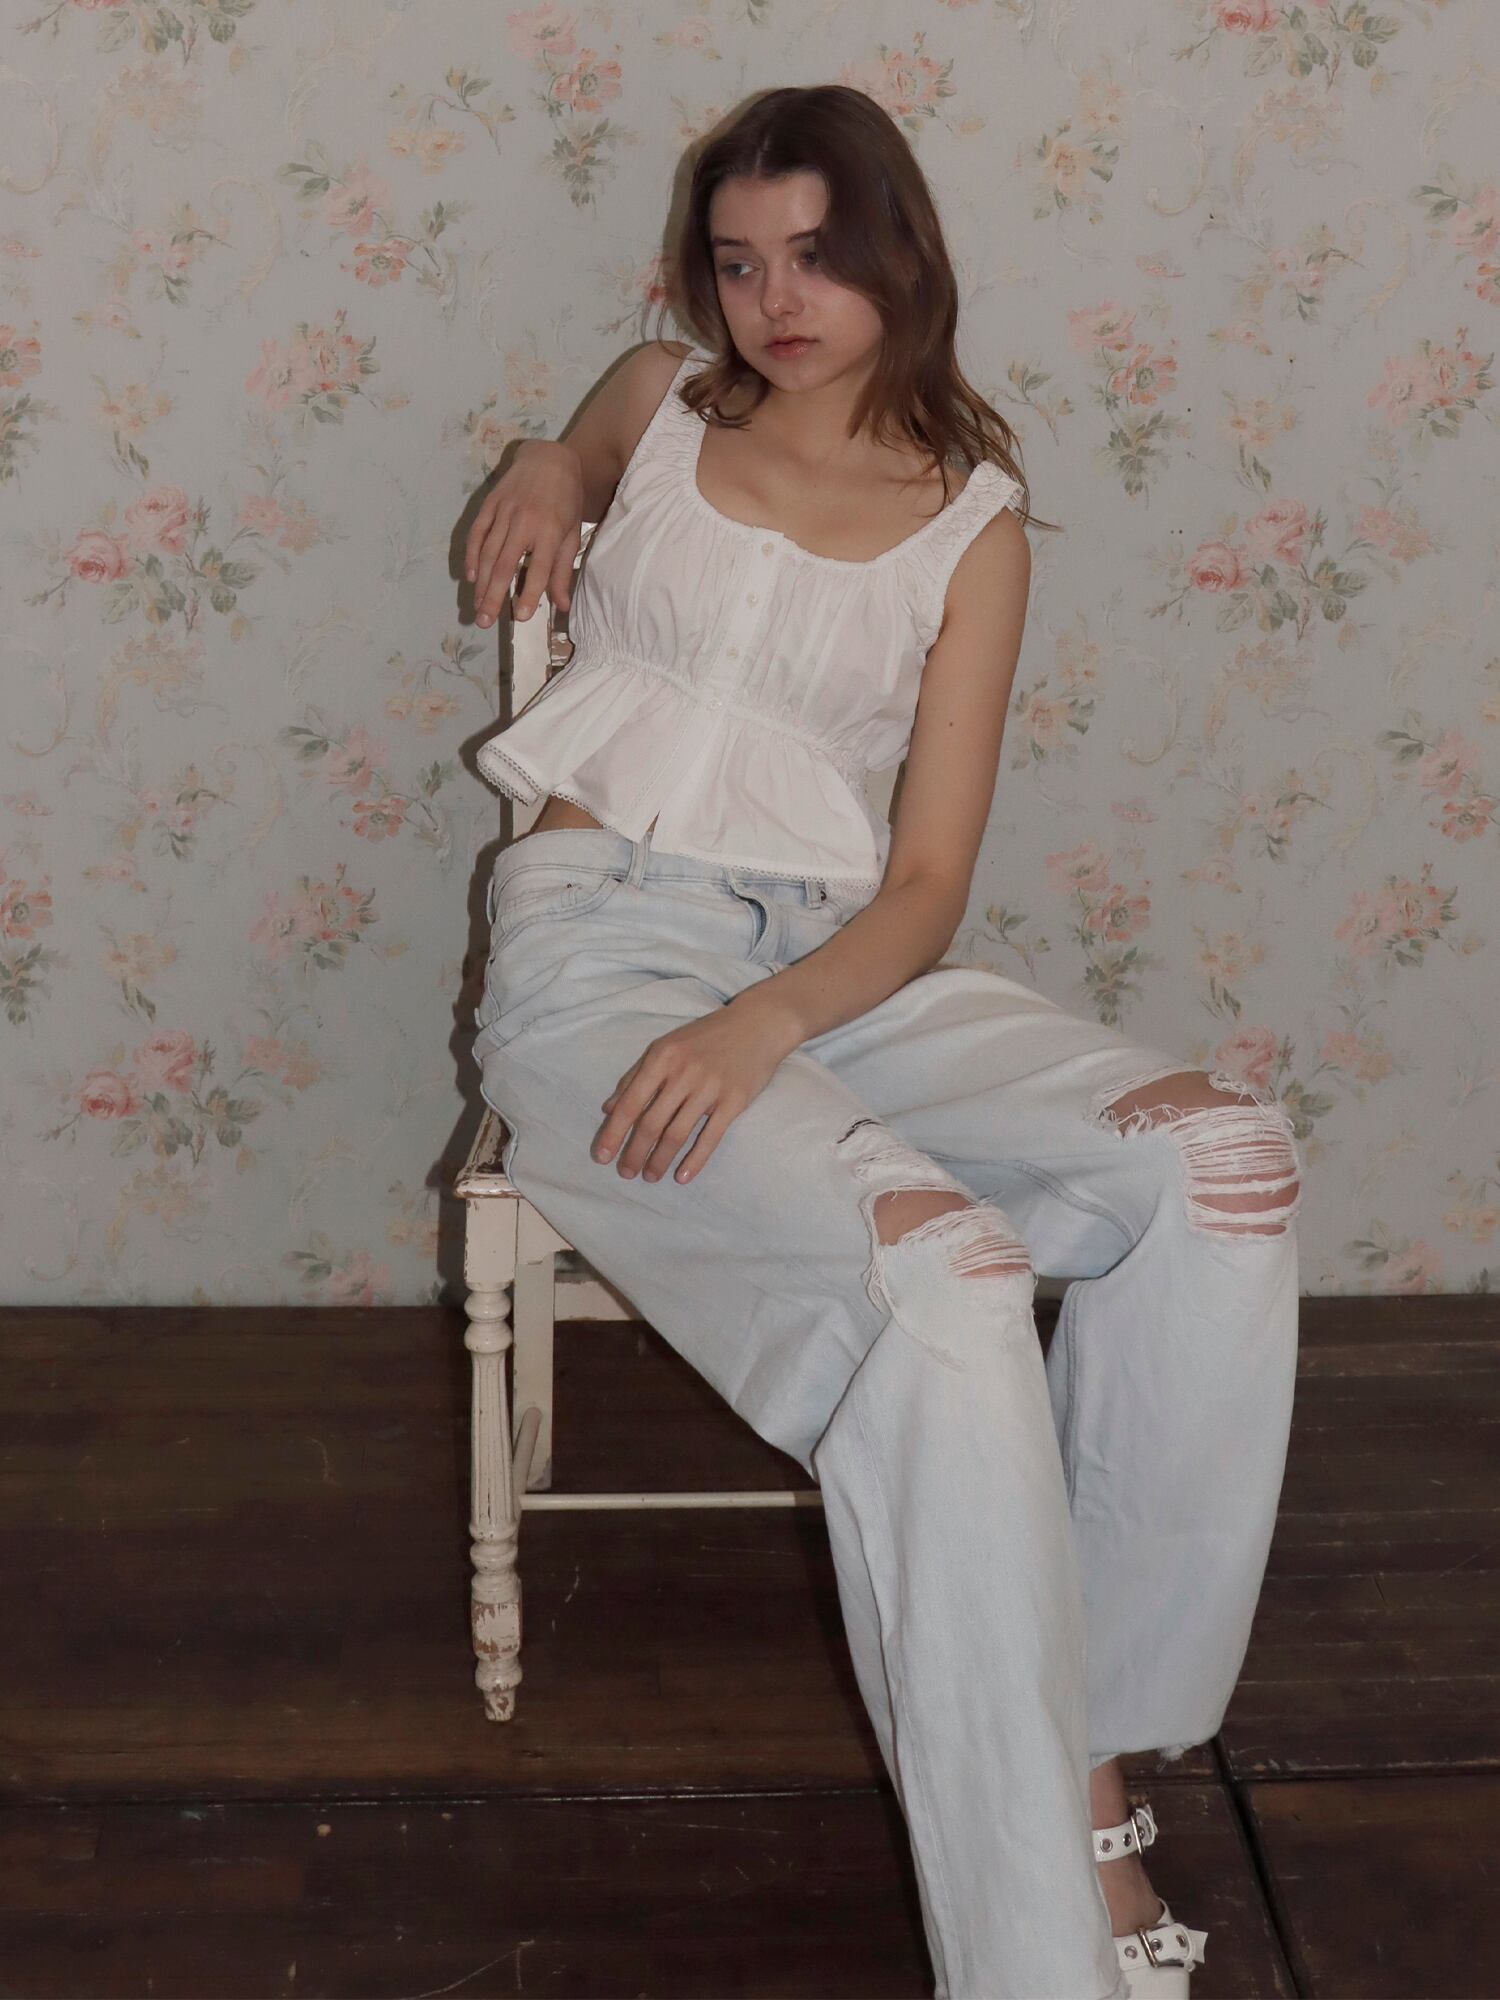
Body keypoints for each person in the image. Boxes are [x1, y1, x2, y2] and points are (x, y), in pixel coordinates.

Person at [463, 84, 1301, 2000]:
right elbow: (577, 453)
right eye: (739, 262)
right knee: (947, 1275)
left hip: (842, 971)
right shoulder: (661, 403)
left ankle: (1088, 1746)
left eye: (817, 256)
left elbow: (925, 884)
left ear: (898, 258)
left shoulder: (974, 525)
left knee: (1224, 1161)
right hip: (602, 967)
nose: (776, 300)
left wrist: (769, 1022)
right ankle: (1038, 1956)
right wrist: (541, 454)